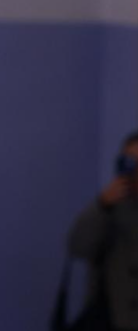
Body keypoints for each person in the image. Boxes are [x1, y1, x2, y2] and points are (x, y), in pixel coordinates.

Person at [68, 131, 138, 331]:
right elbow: (78, 247)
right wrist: (102, 205)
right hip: (112, 319)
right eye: (129, 163)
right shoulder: (109, 207)